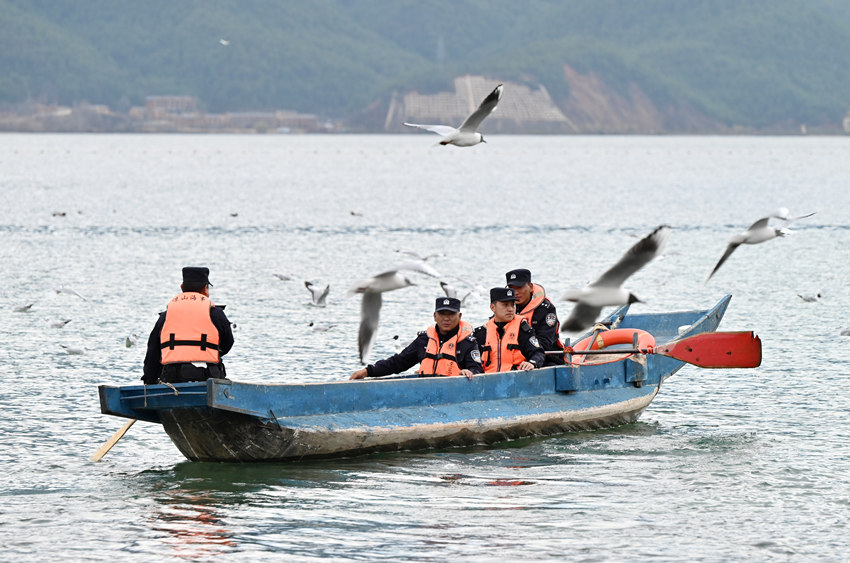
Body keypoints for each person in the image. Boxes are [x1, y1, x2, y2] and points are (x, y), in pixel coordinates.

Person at [350, 297, 483, 380]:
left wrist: (469, 372)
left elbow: (476, 369)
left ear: (459, 316)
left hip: (454, 393)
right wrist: (367, 371)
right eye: (442, 314)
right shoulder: (424, 340)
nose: (446, 318)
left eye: (451, 314)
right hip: (425, 392)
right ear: (435, 316)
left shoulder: (467, 342)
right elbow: (398, 362)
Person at [142, 267, 234, 384]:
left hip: (173, 378)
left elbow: (153, 352)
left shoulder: (166, 316)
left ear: (182, 288)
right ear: (205, 289)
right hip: (209, 376)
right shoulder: (216, 314)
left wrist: (149, 381)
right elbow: (228, 343)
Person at [472, 287, 545, 373]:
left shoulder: (522, 329)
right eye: (505, 305)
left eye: (513, 304)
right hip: (488, 381)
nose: (510, 309)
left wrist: (532, 363)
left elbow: (538, 353)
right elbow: (472, 362)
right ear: (492, 307)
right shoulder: (482, 333)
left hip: (515, 380)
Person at [505, 268, 565, 365]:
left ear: (530, 286)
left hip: (546, 357)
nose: (515, 293)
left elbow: (545, 342)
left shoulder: (546, 309)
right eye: (512, 288)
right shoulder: (505, 308)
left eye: (519, 287)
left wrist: (532, 360)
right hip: (513, 358)